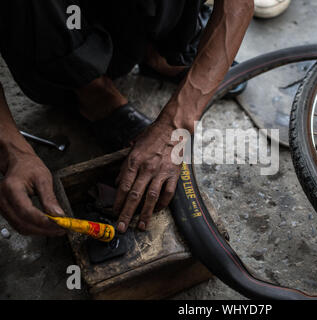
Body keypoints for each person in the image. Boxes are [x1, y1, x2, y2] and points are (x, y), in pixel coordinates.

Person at [0, 0, 253, 237]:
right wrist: (13, 151)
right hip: (55, 29)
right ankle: (90, 88)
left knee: (178, 28)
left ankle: (164, 48)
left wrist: (176, 123)